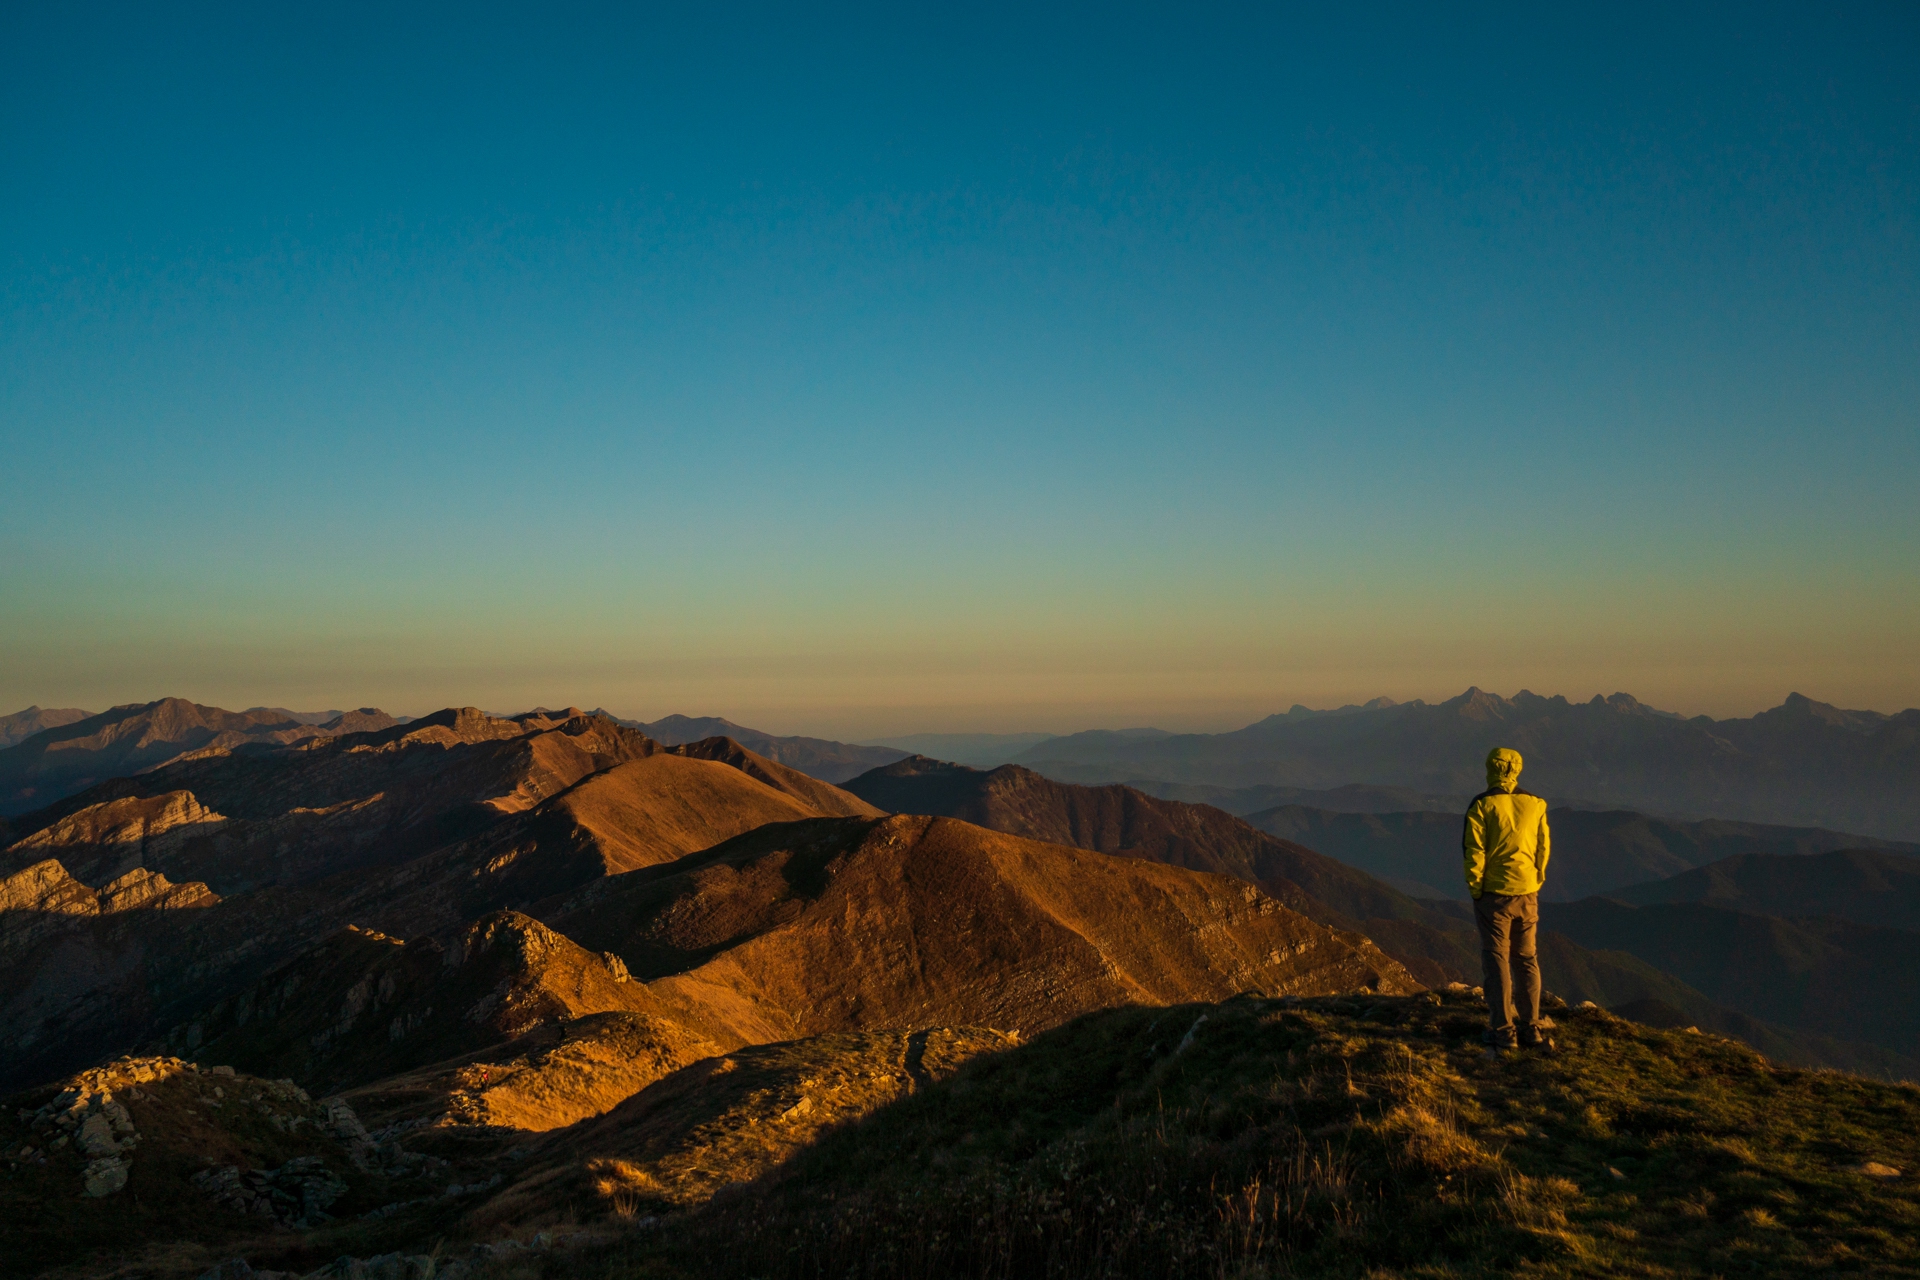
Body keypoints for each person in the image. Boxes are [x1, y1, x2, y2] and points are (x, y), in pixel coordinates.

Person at [1462, 747, 1552, 1050]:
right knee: (1527, 959)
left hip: (1494, 895)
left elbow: (1475, 853)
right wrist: (1536, 880)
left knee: (1497, 959)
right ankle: (1532, 1029)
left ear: (1490, 769)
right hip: (1528, 892)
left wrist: (1477, 889)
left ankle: (1503, 1031)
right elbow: (1543, 849)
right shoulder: (1536, 804)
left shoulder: (1482, 805)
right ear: (1517, 770)